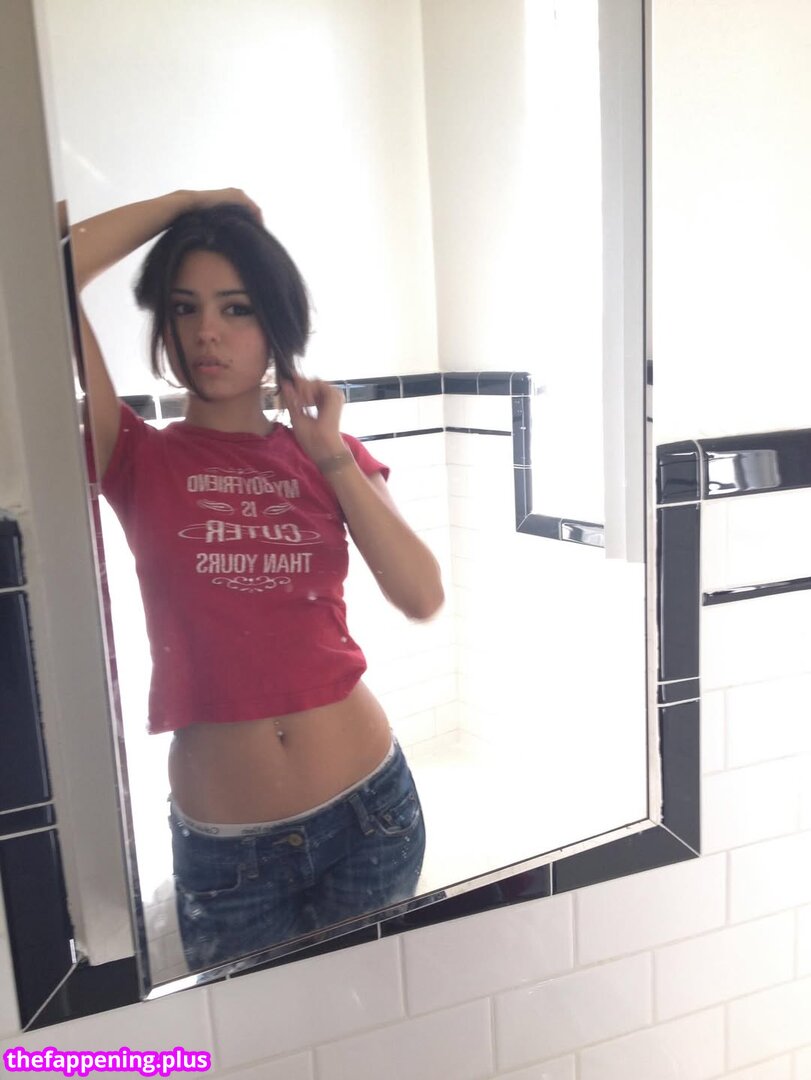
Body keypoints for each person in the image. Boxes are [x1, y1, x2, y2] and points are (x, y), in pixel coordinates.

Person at [70, 188, 444, 971]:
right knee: (252, 1035)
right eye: (185, 308)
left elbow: (421, 596)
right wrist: (189, 205)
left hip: (370, 814)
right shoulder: (134, 455)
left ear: (275, 324)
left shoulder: (330, 455)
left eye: (236, 309)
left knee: (379, 1023)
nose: (206, 331)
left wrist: (328, 452)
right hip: (228, 853)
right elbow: (47, 272)